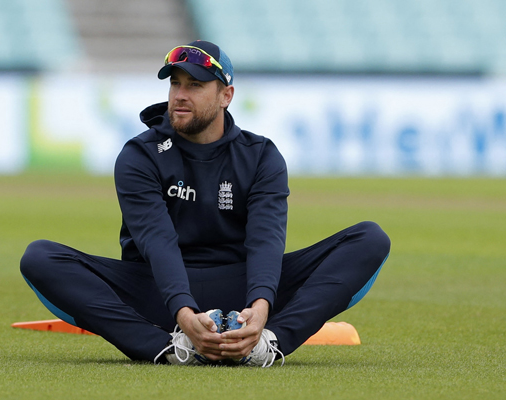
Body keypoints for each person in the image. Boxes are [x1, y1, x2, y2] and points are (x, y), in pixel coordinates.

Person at [20, 40, 391, 367]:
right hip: (156, 291)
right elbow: (157, 241)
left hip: (241, 285)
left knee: (369, 239)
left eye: (195, 85)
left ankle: (268, 344)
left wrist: (261, 306)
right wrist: (183, 312)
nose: (180, 95)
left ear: (225, 96)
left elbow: (266, 240)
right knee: (40, 258)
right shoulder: (140, 154)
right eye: (175, 84)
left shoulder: (261, 155)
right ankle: (169, 349)